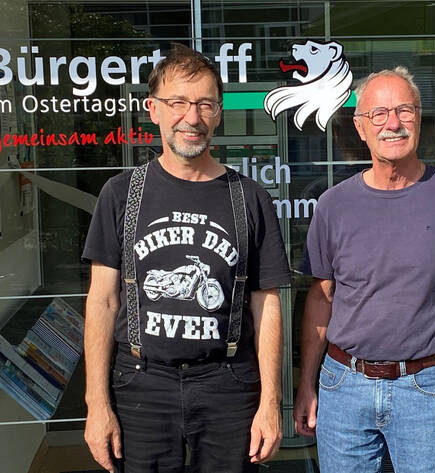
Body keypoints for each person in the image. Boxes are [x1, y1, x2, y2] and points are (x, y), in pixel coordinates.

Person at [82, 44, 290, 473]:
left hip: (228, 383)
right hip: (141, 382)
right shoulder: (120, 194)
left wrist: (271, 402)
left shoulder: (249, 198)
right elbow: (102, 301)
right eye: (177, 102)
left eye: (204, 104)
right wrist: (96, 403)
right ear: (153, 109)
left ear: (218, 112)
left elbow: (266, 305)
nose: (191, 118)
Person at [293, 66, 435, 473]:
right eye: (379, 114)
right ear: (360, 127)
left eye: (405, 110)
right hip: (343, 385)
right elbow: (321, 298)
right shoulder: (333, 204)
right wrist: (306, 383)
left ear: (419, 118)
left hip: (428, 386)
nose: (393, 123)